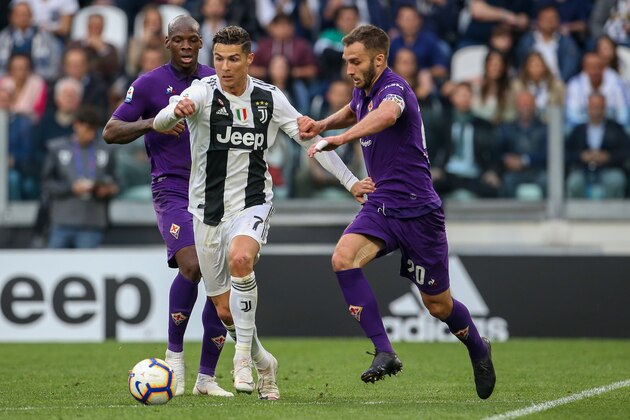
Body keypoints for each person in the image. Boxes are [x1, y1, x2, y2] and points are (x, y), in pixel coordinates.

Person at [152, 25, 374, 400]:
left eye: (233, 59)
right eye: (218, 58)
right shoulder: (201, 93)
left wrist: (351, 182)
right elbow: (160, 122)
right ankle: (264, 361)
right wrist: (175, 111)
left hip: (253, 202)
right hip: (206, 210)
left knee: (242, 259)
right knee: (224, 312)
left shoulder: (269, 98)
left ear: (249, 59)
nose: (224, 66)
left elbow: (311, 139)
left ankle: (241, 358)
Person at [298, 24, 496, 399]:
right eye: (346, 62)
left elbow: (387, 116)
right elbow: (354, 108)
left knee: (437, 305)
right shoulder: (363, 91)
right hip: (381, 206)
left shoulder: (394, 88)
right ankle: (385, 351)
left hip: (419, 212)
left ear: (379, 59)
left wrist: (340, 138)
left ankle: (478, 347)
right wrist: (324, 124)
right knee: (342, 259)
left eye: (355, 62)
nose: (349, 70)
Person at [102, 15, 233, 398]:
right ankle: (174, 358)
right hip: (172, 189)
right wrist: (151, 124)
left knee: (220, 280)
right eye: (180, 40)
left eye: (194, 39)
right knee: (192, 264)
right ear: (167, 42)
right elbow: (110, 132)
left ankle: (206, 378)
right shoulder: (148, 84)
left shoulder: (214, 81)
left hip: (215, 191)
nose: (188, 46)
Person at [42, 107, 118, 248]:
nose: (90, 134)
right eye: (87, 129)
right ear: (76, 125)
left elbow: (116, 181)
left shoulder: (106, 150)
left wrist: (107, 189)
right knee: (55, 267)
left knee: (87, 268)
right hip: (61, 221)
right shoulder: (56, 148)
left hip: (91, 221)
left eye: (93, 130)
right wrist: (70, 188)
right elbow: (46, 184)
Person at [565, 93, 628, 199]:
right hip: (582, 169)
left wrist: (608, 157)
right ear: (587, 108)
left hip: (609, 169)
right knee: (574, 182)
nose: (596, 110)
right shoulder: (578, 130)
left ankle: (611, 214)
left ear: (605, 108)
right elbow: (567, 152)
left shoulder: (616, 129)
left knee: (616, 180)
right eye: (593, 107)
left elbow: (626, 151)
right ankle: (578, 214)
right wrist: (581, 156)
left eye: (599, 107)